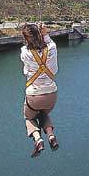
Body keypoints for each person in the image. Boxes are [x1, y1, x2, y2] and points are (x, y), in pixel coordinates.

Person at [21, 23, 59, 158]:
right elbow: (49, 42)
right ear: (40, 34)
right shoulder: (52, 48)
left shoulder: (25, 52)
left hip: (34, 96)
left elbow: (25, 70)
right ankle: (51, 135)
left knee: (29, 117)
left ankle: (38, 139)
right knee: (43, 114)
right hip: (51, 96)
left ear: (26, 39)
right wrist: (45, 34)